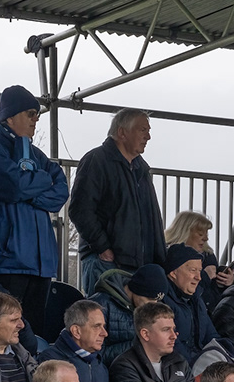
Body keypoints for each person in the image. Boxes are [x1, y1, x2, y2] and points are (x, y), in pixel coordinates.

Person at [0, 86, 68, 321]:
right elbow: (14, 186)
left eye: (37, 115)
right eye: (30, 114)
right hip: (6, 261)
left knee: (32, 336)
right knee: (2, 329)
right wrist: (41, 182)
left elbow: (60, 192)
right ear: (9, 117)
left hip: (40, 265)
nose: (35, 120)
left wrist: (28, 191)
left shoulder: (37, 155)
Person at [68, 109, 164, 293]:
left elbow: (152, 219)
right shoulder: (96, 160)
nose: (148, 136)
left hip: (139, 266)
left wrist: (158, 260)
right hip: (106, 263)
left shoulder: (141, 170)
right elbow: (80, 209)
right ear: (122, 132)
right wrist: (102, 247)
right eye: (142, 130)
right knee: (103, 318)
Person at [108, 300, 189, 382]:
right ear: (145, 334)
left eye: (173, 329)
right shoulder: (124, 366)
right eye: (166, 330)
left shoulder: (179, 362)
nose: (174, 336)